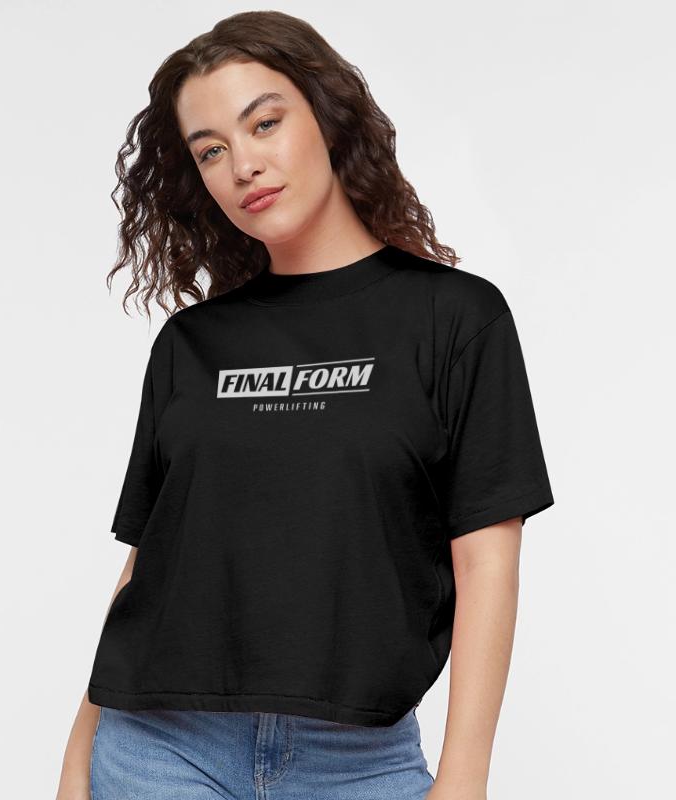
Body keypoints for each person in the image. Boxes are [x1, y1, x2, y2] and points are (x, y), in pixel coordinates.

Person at [56, 10, 554, 800]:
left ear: (326, 117)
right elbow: (150, 561)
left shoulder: (456, 319)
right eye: (211, 150)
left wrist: (465, 778)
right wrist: (77, 758)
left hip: (359, 763)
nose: (243, 165)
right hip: (160, 751)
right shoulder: (190, 344)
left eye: (265, 123)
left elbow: (487, 557)